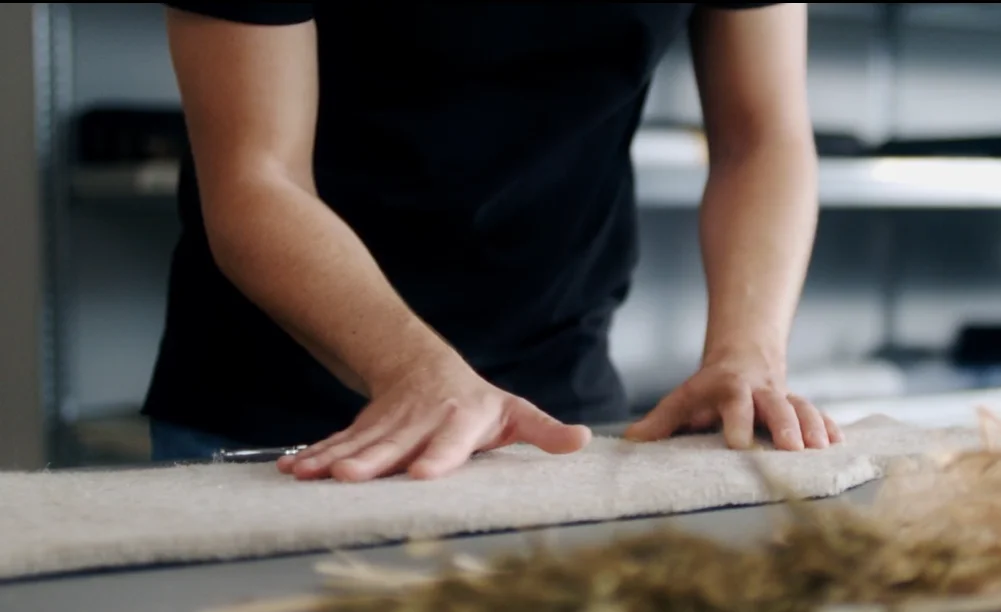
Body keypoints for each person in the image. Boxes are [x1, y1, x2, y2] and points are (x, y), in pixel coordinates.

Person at [145, 2, 842, 482]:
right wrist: (410, 367)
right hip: (280, 414)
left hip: (559, 409)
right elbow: (257, 178)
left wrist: (746, 352)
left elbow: (762, 136)